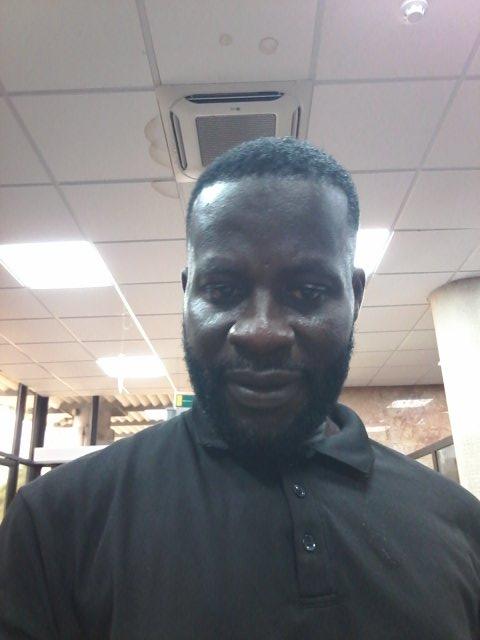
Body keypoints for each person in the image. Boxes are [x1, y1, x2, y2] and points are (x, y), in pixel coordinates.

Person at [1, 137, 479, 639]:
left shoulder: (459, 525)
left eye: (307, 292)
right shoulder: (57, 524)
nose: (261, 332)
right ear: (187, 295)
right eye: (223, 290)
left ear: (355, 297)